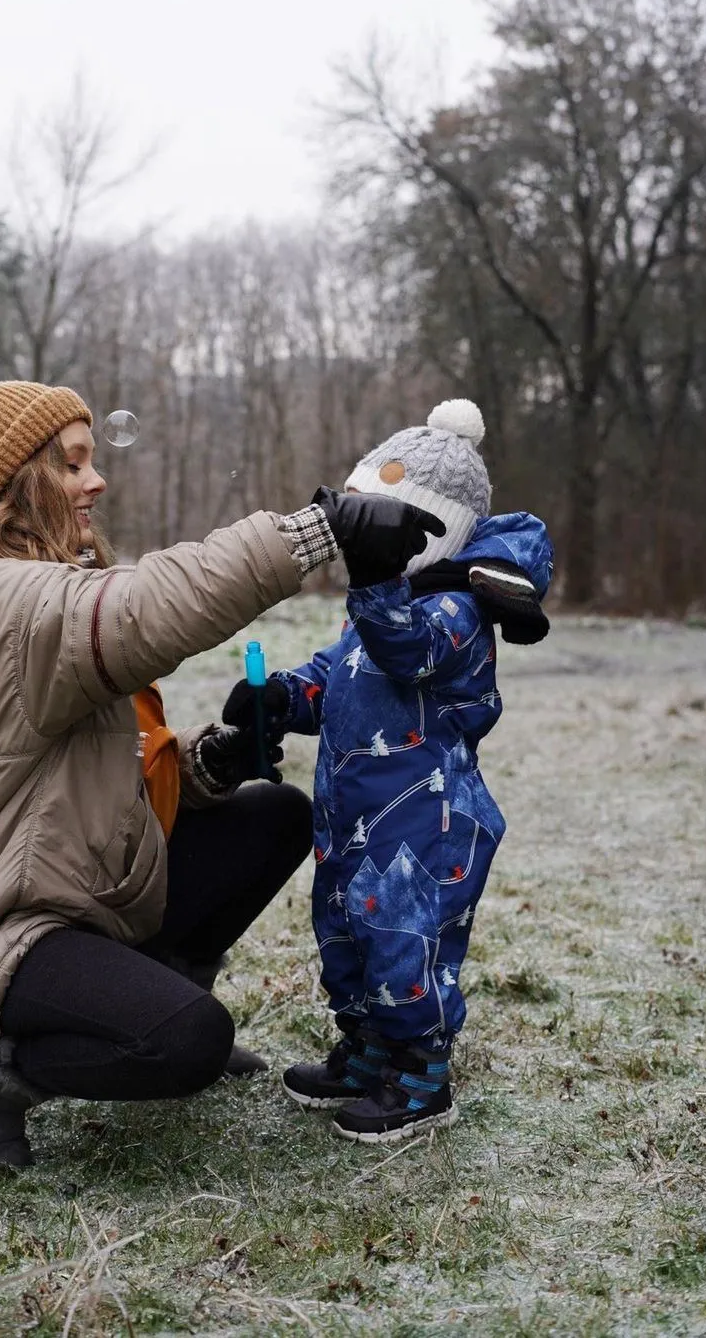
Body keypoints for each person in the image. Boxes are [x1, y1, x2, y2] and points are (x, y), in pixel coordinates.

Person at [0, 379, 444, 1169]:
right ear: (19, 484)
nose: (96, 480)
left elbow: (98, 767)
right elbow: (151, 606)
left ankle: (151, 985)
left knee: (271, 814)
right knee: (186, 1042)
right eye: (72, 465)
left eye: (92, 460)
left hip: (93, 886)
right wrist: (320, 531)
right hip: (7, 927)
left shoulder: (37, 590)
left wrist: (207, 758)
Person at [221, 399, 553, 1145]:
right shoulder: (374, 608)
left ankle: (421, 1074)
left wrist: (375, 576)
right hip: (352, 816)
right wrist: (278, 696)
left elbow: (407, 649)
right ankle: (367, 1050)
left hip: (423, 825)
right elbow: (340, 674)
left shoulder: (458, 609)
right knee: (344, 934)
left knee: (404, 941)